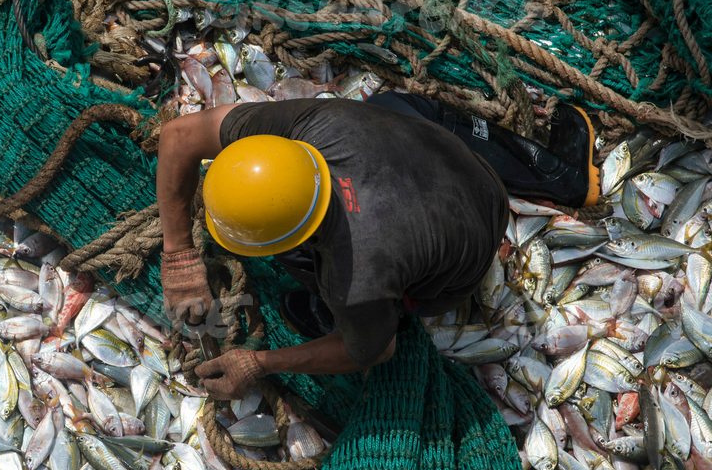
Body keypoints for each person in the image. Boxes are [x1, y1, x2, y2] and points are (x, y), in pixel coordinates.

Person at [157, 91, 599, 400]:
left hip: (468, 254)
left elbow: (371, 351)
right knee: (391, 106)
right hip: (462, 171)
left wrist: (261, 364)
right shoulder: (311, 126)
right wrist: (178, 256)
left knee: (331, 292)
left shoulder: (357, 276)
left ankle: (346, 310)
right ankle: (555, 172)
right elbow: (178, 137)